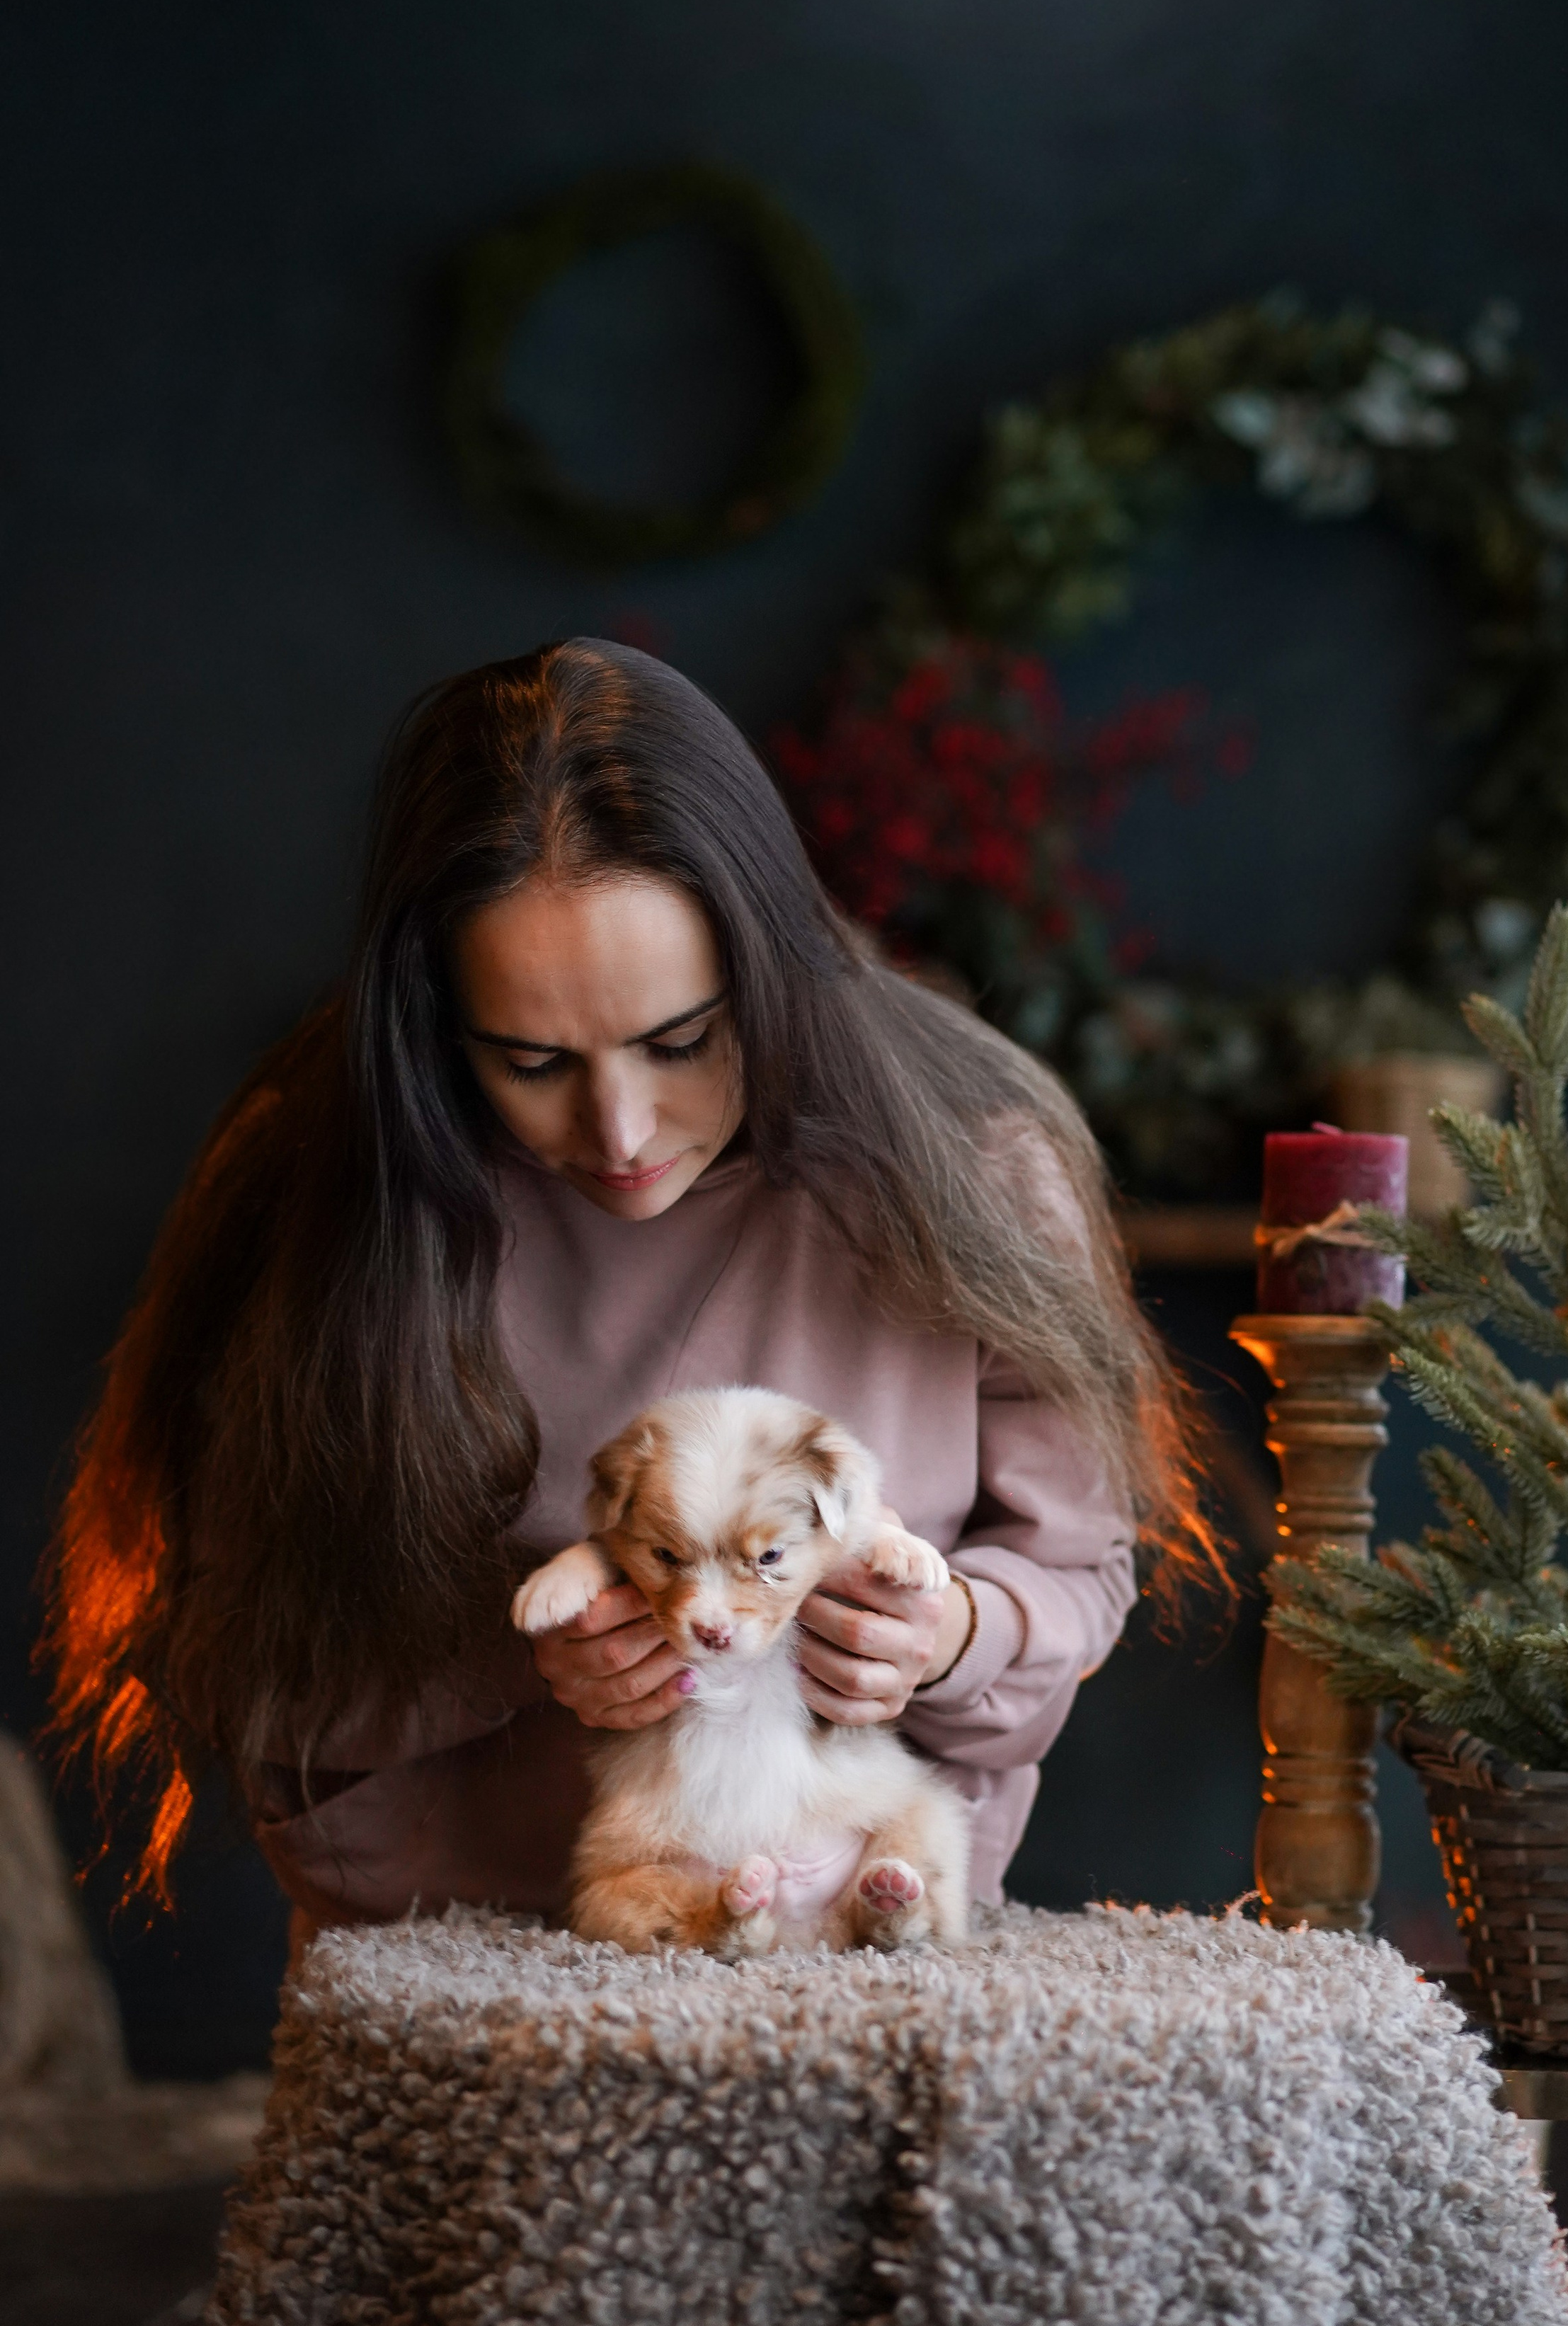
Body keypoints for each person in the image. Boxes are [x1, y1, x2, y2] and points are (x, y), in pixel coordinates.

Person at [45, 639, 1217, 1926]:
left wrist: (956, 1637)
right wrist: (521, 1649)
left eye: (680, 1042)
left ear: (771, 973)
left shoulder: (972, 1172)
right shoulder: (318, 1187)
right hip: (453, 1958)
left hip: (848, 1951)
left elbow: (1079, 1568)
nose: (620, 1134)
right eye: (531, 1063)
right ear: (432, 1027)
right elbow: (219, 1655)